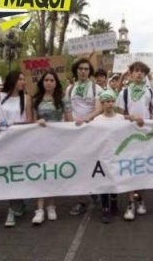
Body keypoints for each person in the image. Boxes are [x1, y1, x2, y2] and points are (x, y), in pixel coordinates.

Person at [115, 61, 153, 221]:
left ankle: (141, 199)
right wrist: (131, 117)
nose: (139, 74)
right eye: (136, 71)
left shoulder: (149, 92)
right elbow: (119, 115)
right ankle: (131, 202)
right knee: (131, 168)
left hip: (146, 135)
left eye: (142, 72)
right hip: (129, 136)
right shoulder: (124, 93)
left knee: (143, 168)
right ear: (130, 74)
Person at [32, 70, 72, 225]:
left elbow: (69, 120)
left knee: (52, 172)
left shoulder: (63, 99)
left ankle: (51, 206)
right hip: (40, 140)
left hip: (57, 141)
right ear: (42, 82)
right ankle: (39, 209)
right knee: (41, 173)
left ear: (56, 83)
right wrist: (37, 122)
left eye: (52, 80)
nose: (49, 83)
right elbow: (32, 121)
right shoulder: (36, 99)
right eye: (46, 80)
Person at [67, 58, 104, 216]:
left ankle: (96, 190)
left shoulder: (96, 88)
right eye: (80, 68)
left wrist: (88, 117)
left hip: (92, 132)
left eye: (86, 69)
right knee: (78, 165)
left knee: (94, 164)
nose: (83, 71)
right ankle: (82, 200)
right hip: (74, 133)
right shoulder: (70, 89)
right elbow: (67, 108)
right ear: (76, 70)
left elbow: (99, 108)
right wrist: (70, 122)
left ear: (90, 72)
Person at [0, 71, 33, 227]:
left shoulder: (26, 98)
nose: (22, 82)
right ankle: (12, 209)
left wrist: (16, 126)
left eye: (24, 79)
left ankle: (18, 204)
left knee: (19, 174)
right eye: (20, 79)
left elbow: (30, 120)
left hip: (20, 141)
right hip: (3, 142)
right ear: (12, 80)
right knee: (10, 175)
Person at [93, 90, 124, 223]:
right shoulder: (97, 120)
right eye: (107, 101)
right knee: (104, 180)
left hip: (116, 153)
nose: (110, 104)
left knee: (115, 179)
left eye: (112, 101)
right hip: (102, 154)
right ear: (102, 103)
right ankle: (105, 207)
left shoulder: (121, 118)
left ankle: (114, 201)